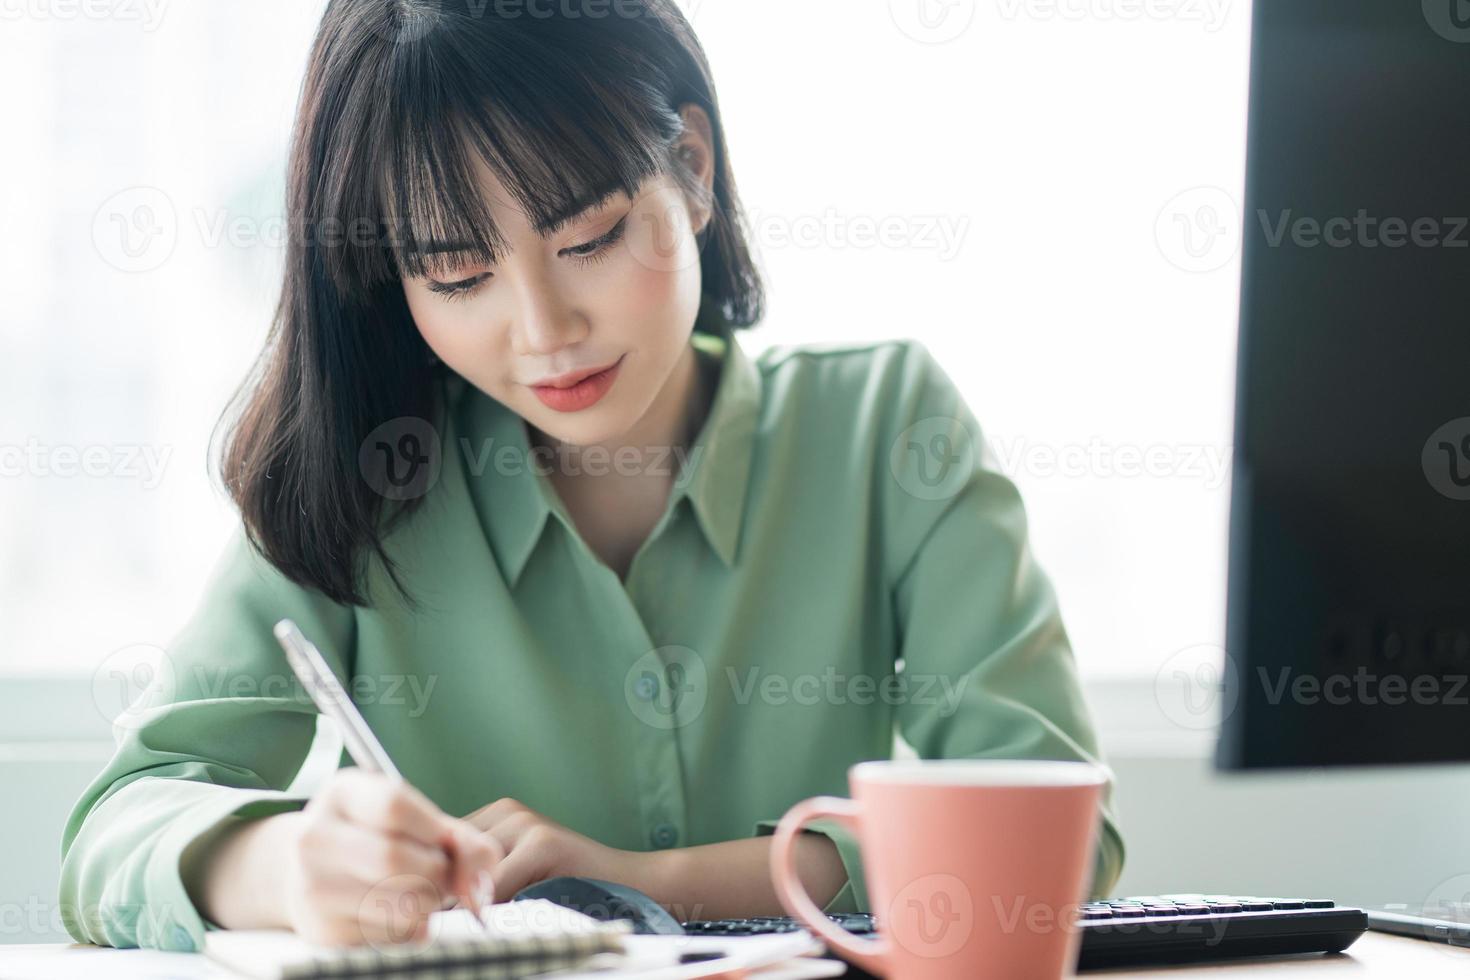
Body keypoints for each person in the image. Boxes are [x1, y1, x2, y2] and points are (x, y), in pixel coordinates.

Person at [59, 0, 1124, 952]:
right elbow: (119, 829)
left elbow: (1053, 835)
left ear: (694, 169)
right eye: (459, 275)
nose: (544, 332)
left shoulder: (885, 427)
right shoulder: (361, 473)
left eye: (593, 237)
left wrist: (635, 884)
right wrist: (292, 869)